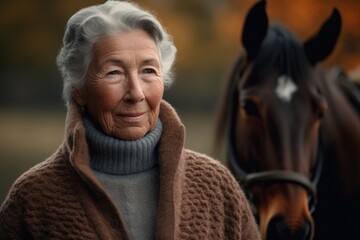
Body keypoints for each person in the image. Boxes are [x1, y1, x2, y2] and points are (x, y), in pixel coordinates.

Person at [0, 1, 261, 239]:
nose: (136, 93)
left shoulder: (216, 187)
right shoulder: (32, 199)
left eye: (149, 70)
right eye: (114, 72)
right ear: (78, 90)